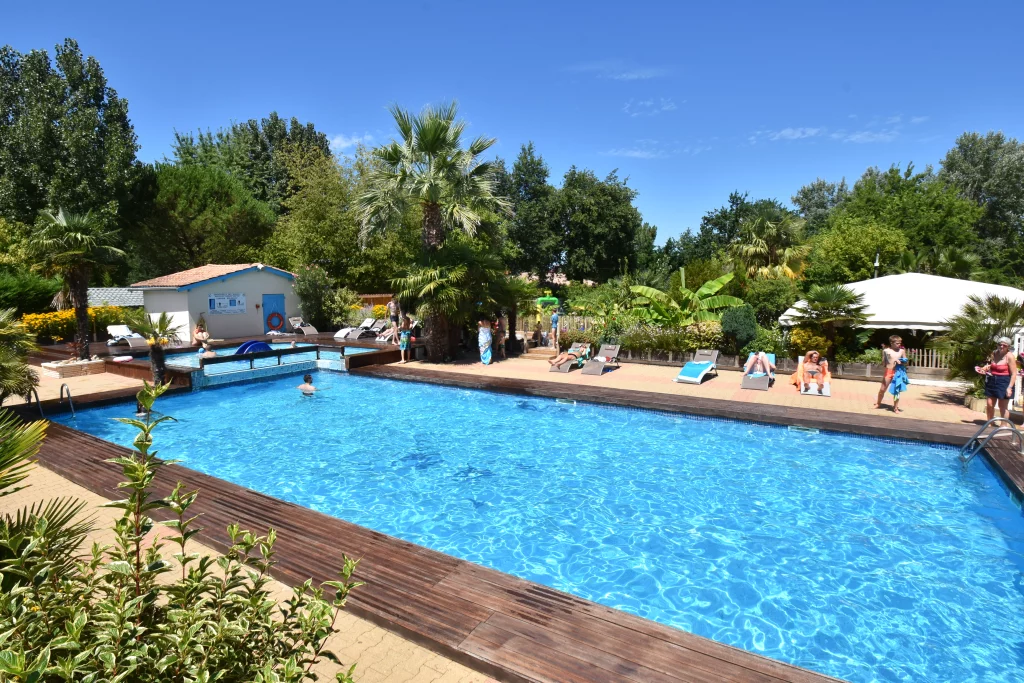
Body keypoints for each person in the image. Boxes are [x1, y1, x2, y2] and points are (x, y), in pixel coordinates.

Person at [977, 336, 1018, 421]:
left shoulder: (1009, 356)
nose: (1002, 347)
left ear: (1008, 347)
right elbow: (991, 365)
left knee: (1002, 406)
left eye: (1004, 345)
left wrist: (1009, 387)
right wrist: (986, 368)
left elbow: (1014, 374)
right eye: (1000, 344)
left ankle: (1004, 426)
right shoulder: (994, 353)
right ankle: (990, 424)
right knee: (989, 404)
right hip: (992, 380)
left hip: (1004, 381)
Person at [875, 335, 906, 409]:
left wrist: (901, 361)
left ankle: (895, 408)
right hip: (889, 371)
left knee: (897, 391)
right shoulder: (886, 351)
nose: (899, 345)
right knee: (882, 389)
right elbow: (884, 363)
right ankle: (878, 403)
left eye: (900, 343)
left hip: (897, 372)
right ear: (891, 343)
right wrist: (886, 359)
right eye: (897, 343)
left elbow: (905, 361)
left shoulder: (902, 351)